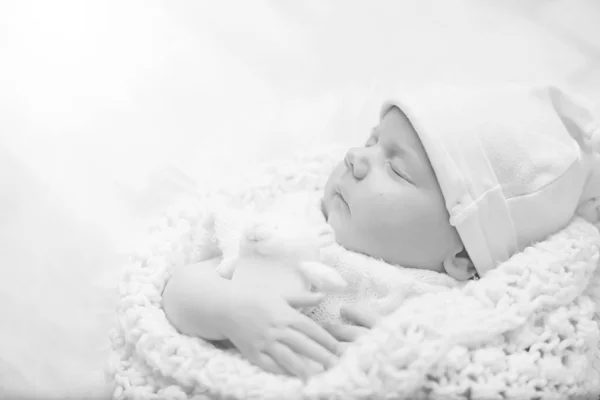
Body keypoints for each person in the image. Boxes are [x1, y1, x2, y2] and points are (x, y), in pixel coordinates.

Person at [161, 85, 599, 380]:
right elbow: (181, 288)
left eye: (395, 167)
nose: (356, 156)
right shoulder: (296, 222)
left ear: (463, 257)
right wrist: (234, 311)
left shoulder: (450, 313)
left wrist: (399, 360)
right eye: (371, 140)